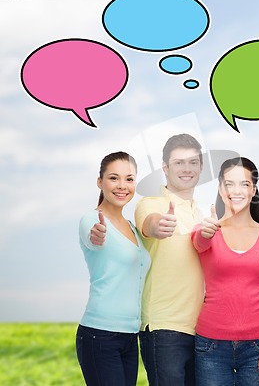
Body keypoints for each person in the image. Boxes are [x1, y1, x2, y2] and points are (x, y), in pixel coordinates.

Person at [191, 157, 259, 386]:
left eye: (244, 184)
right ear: (221, 189)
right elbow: (198, 242)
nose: (236, 191)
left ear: (253, 190)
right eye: (229, 184)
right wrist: (205, 232)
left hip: (258, 347)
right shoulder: (207, 230)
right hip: (210, 346)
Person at [135, 133, 205, 386]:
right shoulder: (150, 203)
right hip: (165, 329)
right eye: (178, 162)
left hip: (202, 330)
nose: (187, 169)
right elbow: (150, 224)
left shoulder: (202, 214)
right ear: (165, 167)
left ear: (201, 167)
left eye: (193, 162)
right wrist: (159, 225)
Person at [76, 151, 151, 386]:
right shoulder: (91, 220)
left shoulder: (132, 227)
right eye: (113, 178)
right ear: (100, 182)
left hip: (130, 336)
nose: (122, 186)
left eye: (129, 179)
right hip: (100, 334)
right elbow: (93, 237)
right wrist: (96, 236)